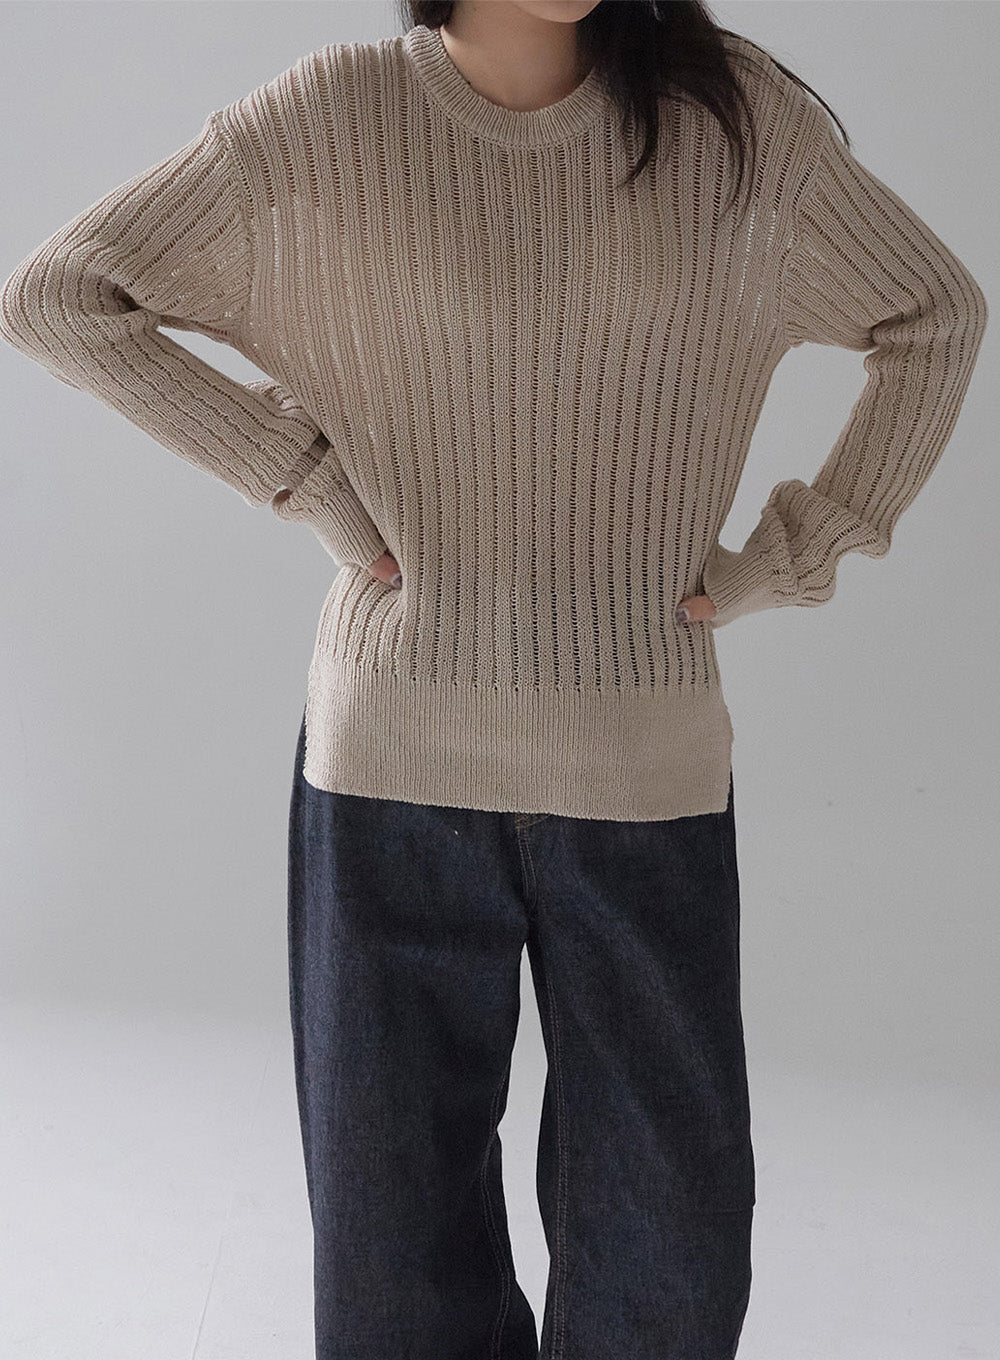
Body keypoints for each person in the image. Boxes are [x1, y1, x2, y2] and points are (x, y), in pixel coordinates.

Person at [0, 2, 987, 1357]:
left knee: (670, 1240)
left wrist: (795, 552)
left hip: (642, 770)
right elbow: (61, 295)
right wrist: (303, 476)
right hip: (392, 763)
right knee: (395, 1246)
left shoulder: (736, 126)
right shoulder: (328, 119)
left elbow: (934, 313)